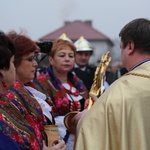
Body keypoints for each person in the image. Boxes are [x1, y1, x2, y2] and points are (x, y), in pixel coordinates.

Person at [74, 18, 150, 150]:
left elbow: (91, 131)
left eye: (121, 48)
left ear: (130, 47)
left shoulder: (121, 90)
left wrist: (89, 115)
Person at [7, 31, 66, 150]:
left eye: (35, 58)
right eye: (30, 59)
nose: (35, 64)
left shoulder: (29, 89)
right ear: (14, 61)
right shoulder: (9, 95)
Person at [34, 38, 89, 150]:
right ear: (51, 59)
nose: (67, 59)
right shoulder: (42, 83)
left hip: (81, 137)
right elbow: (44, 117)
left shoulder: (78, 82)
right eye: (62, 55)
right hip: (57, 141)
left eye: (71, 56)